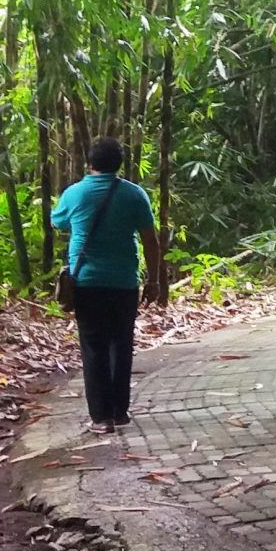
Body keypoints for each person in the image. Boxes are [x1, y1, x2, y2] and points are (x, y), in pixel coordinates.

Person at [50, 137, 165, 433]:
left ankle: (101, 418)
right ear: (120, 164)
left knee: (93, 346)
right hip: (124, 282)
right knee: (121, 344)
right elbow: (150, 241)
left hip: (86, 282)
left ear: (90, 164)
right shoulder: (135, 195)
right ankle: (119, 411)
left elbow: (57, 222)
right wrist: (154, 280)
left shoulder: (74, 193)